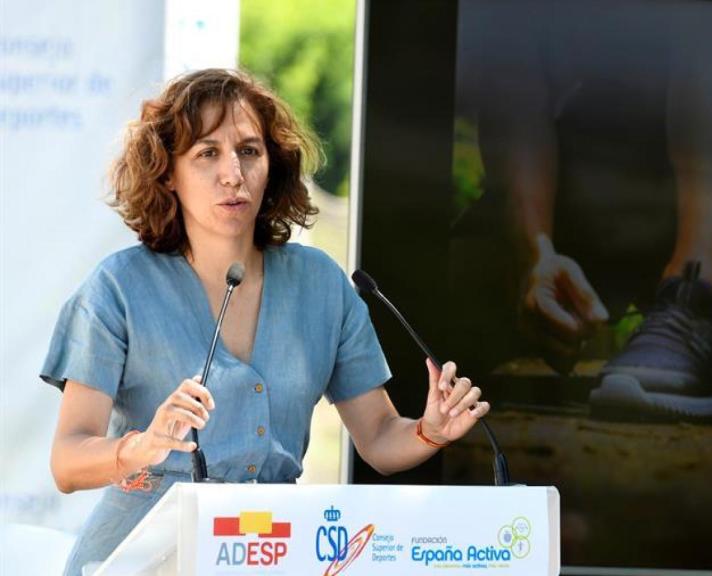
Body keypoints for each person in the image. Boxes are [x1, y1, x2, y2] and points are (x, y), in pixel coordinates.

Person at [41, 68, 489, 576]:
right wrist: (141, 446)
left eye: (249, 151)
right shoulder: (117, 287)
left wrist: (429, 431)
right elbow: (68, 461)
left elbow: (380, 437)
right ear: (168, 172)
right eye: (207, 153)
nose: (233, 173)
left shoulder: (321, 284)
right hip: (136, 560)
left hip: (268, 555)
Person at [470, 0, 712, 419]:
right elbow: (512, 74)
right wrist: (534, 252)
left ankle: (696, 293)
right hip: (582, 198)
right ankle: (649, 313)